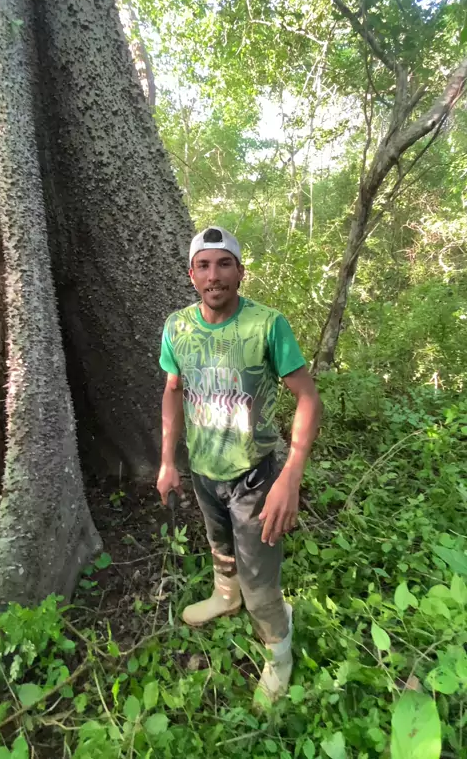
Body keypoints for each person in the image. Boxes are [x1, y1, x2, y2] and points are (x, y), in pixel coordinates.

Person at [157, 226, 321, 703]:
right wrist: (168, 460)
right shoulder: (177, 327)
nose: (214, 275)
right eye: (204, 266)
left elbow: (308, 397)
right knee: (220, 545)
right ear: (191, 275)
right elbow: (172, 391)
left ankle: (279, 650)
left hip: (255, 475)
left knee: (260, 580)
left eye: (224, 264)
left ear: (240, 272)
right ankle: (225, 597)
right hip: (204, 469)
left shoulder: (267, 325)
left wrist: (291, 475)